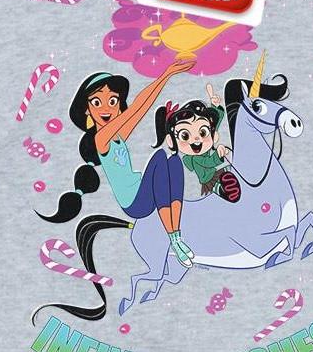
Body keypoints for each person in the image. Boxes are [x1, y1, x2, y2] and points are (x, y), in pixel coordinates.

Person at [39, 59, 197, 266]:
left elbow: (142, 107)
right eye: (97, 102)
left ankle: (176, 235)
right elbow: (135, 108)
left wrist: (166, 76)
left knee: (174, 162)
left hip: (143, 193)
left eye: (113, 101)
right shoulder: (101, 139)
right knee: (159, 157)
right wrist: (166, 74)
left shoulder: (117, 136)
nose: (106, 108)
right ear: (86, 110)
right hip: (135, 203)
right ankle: (172, 238)